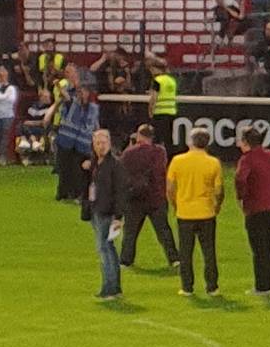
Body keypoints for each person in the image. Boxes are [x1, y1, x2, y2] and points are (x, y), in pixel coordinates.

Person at [164, 129, 225, 297]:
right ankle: (212, 287)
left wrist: (176, 204)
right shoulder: (213, 163)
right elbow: (219, 190)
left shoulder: (177, 161)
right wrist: (217, 205)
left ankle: (187, 287)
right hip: (206, 212)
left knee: (185, 252)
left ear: (190, 142)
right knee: (209, 252)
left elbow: (169, 188)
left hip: (185, 213)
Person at [112, 124, 180, 270]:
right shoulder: (159, 152)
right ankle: (174, 259)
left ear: (138, 135)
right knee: (163, 231)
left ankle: (125, 260)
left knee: (130, 232)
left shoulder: (129, 153)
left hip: (135, 199)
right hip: (156, 198)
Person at [234, 128, 270, 298]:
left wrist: (242, 197)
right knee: (268, 248)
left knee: (259, 250)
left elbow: (241, 179)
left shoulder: (247, 160)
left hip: (256, 209)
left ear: (245, 142)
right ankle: (267, 284)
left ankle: (261, 287)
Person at [81, 129, 123, 301]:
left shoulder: (115, 165)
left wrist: (119, 217)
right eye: (97, 143)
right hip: (96, 209)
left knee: (104, 250)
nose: (101, 146)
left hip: (106, 212)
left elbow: (120, 192)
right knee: (109, 249)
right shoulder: (96, 163)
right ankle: (115, 287)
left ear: (109, 143)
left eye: (103, 143)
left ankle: (109, 288)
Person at [50, 68, 98, 202]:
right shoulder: (71, 102)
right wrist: (59, 85)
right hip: (66, 139)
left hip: (81, 143)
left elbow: (94, 124)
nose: (82, 94)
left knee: (78, 170)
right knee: (64, 168)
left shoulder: (90, 107)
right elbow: (65, 96)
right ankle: (63, 193)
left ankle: (77, 193)